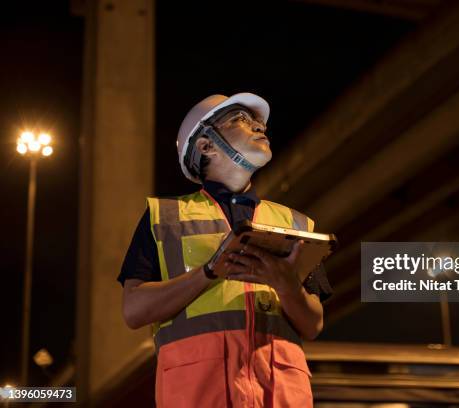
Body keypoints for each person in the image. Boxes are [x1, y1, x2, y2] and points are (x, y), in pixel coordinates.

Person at [117, 92, 333, 407]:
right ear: (206, 146)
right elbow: (133, 311)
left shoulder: (296, 224)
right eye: (241, 121)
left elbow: (313, 324)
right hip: (200, 397)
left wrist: (287, 287)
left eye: (258, 122)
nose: (260, 127)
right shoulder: (162, 217)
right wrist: (208, 272)